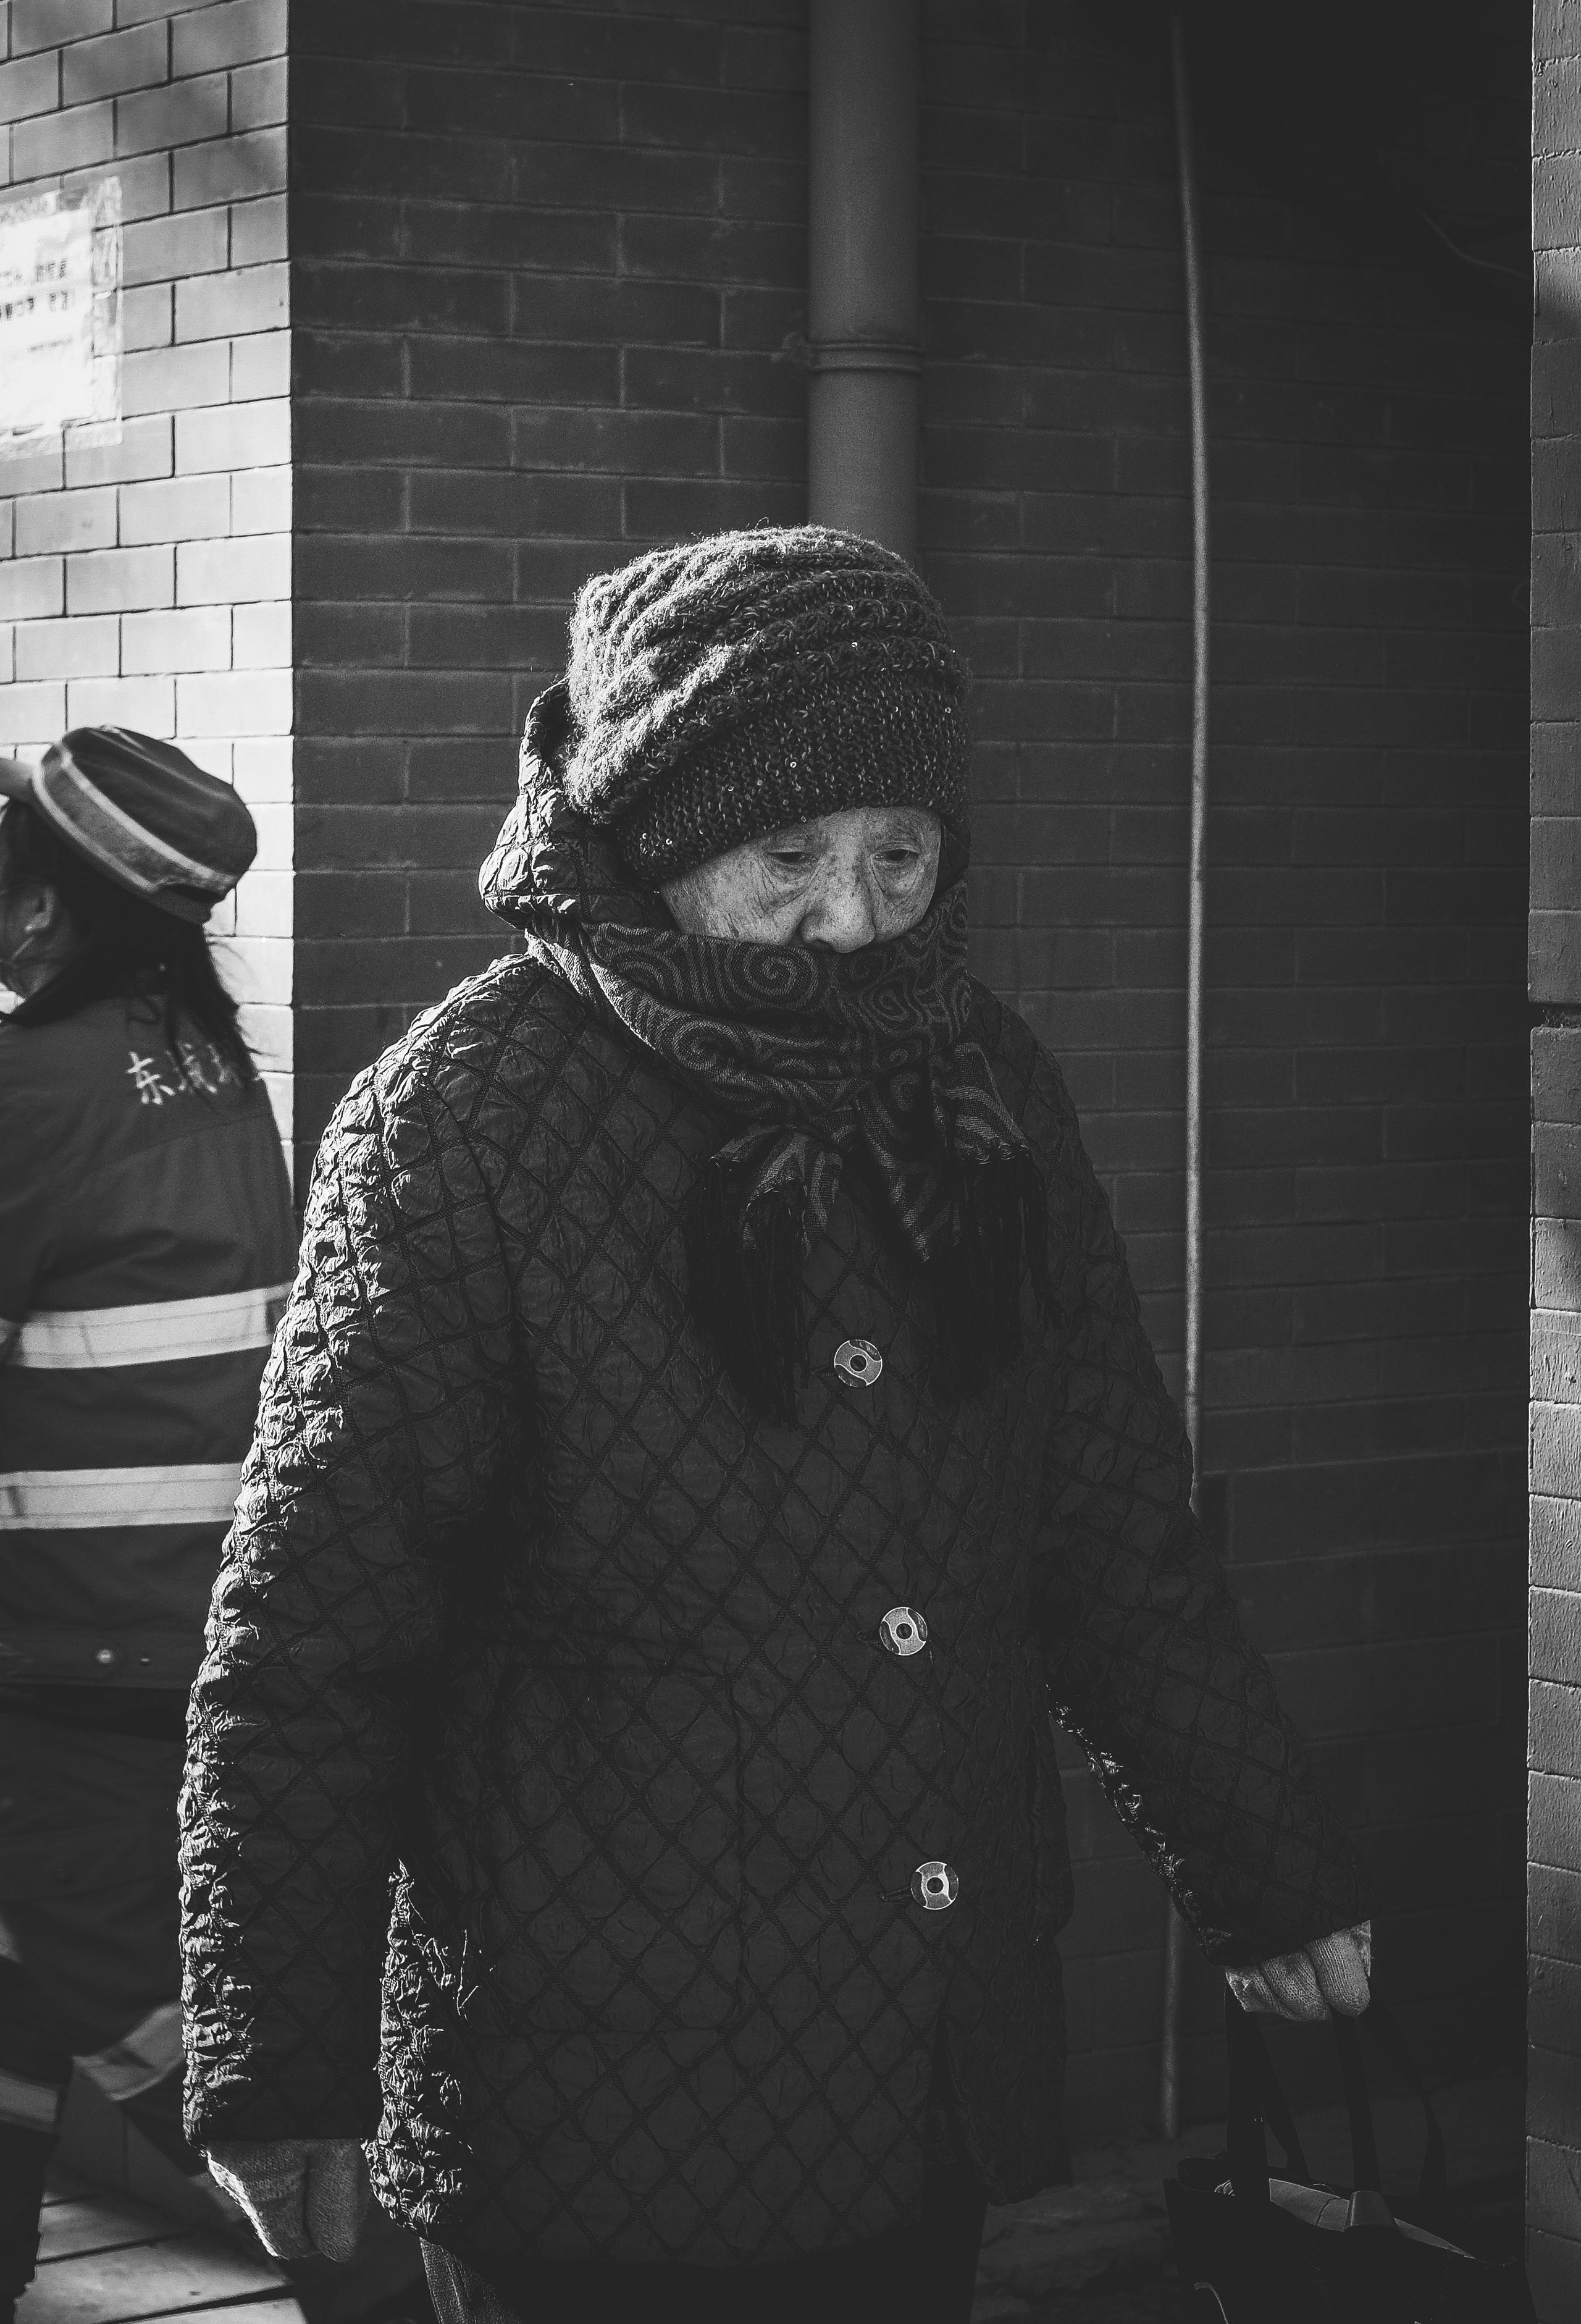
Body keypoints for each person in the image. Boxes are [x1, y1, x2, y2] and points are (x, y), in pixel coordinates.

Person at [180, 529, 1372, 2324]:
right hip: (596, 2097)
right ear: (661, 845)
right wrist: (278, 2068)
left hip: (928, 2065)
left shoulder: (987, 1080)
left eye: (901, 856)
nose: (852, 919)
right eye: (791, 857)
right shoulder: (467, 1117)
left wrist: (1265, 1871)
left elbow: (1111, 1524)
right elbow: (316, 1633)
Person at [0, 730, 298, 2320]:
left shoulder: (33, 1085)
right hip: (174, 1628)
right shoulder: (194, 1053)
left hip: (69, 1649)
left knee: (156, 2017)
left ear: (46, 913)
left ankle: (397, 2262)